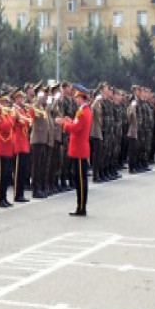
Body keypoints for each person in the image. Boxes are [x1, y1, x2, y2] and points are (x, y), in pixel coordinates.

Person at [57, 83, 93, 217]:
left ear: (81, 98)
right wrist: (70, 121)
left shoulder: (83, 112)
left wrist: (64, 123)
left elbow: (75, 129)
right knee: (79, 179)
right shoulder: (84, 111)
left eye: (77, 97)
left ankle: (81, 207)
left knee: (80, 180)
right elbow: (76, 125)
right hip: (79, 149)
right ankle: (80, 206)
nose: (76, 99)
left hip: (79, 150)